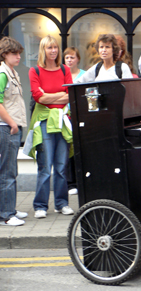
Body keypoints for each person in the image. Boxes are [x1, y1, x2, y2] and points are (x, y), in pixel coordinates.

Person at [26, 35, 74, 219]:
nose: (53, 50)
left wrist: (50, 96)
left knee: (61, 166)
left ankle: (62, 204)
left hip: (62, 121)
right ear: (42, 50)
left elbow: (70, 95)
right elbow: (38, 97)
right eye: (49, 47)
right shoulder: (35, 70)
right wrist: (59, 95)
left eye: (55, 47)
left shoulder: (64, 69)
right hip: (44, 122)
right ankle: (40, 206)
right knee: (45, 166)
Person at [0, 37, 28, 226]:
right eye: (14, 54)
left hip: (10, 127)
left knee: (11, 170)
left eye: (19, 53)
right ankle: (7, 215)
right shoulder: (3, 73)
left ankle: (10, 208)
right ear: (4, 54)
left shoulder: (11, 72)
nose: (18, 57)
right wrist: (13, 124)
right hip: (6, 127)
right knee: (7, 172)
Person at [63, 47, 85, 196]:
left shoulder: (84, 75)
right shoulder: (62, 75)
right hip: (65, 116)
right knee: (67, 150)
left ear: (78, 59)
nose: (70, 60)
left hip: (80, 115)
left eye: (72, 57)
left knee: (80, 149)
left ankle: (80, 181)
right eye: (67, 58)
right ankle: (70, 183)